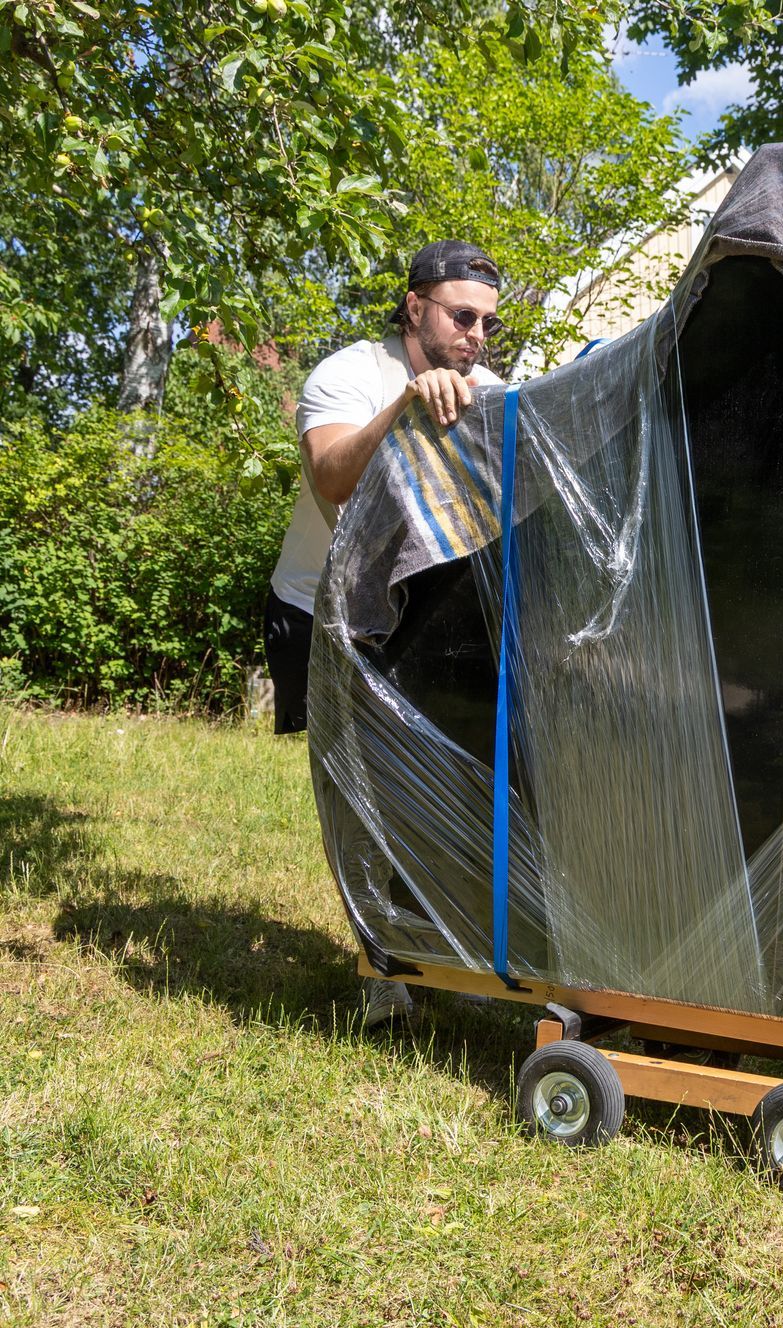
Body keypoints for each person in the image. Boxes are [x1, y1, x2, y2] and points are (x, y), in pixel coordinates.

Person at [263, 239, 505, 1026]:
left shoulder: (489, 388)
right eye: (461, 316)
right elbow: (332, 477)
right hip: (322, 606)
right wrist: (404, 405)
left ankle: (437, 944)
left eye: (488, 324)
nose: (475, 335)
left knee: (436, 778)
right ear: (414, 307)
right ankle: (385, 976)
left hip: (421, 609)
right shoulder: (349, 375)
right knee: (360, 787)